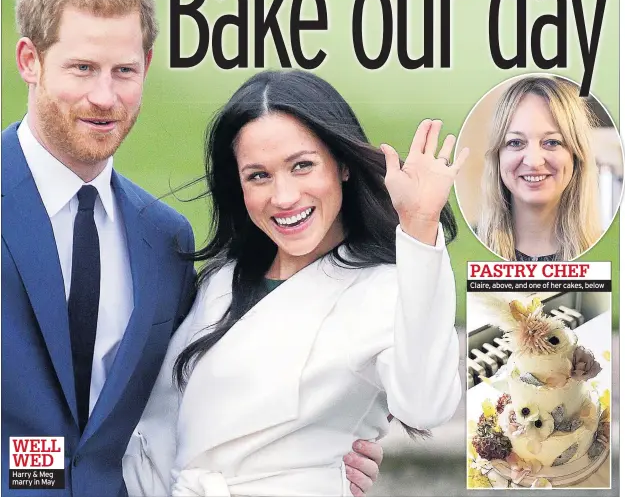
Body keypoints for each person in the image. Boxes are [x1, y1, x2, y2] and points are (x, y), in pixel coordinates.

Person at [2, 0, 380, 497]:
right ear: (30, 60)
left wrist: (319, 449)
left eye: (124, 71)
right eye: (82, 67)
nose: (105, 97)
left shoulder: (164, 239)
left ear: (146, 66)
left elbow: (184, 403)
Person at [123, 70, 467, 496]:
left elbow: (427, 404)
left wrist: (419, 228)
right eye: (258, 176)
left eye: (302, 166)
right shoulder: (222, 279)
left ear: (341, 164)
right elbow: (163, 428)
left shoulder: (386, 289)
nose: (284, 197)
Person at [476, 76, 601, 261]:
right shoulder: (463, 248)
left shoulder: (612, 253)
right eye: (516, 142)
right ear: (498, 156)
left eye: (552, 142)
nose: (534, 162)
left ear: (576, 155)